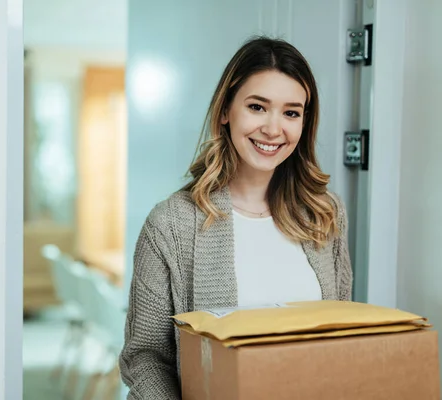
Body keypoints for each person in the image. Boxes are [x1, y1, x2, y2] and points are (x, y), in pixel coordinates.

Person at [118, 36, 353, 399]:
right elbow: (145, 357)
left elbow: (342, 341)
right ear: (226, 110)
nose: (274, 129)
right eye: (258, 107)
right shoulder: (170, 225)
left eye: (291, 112)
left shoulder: (325, 217)